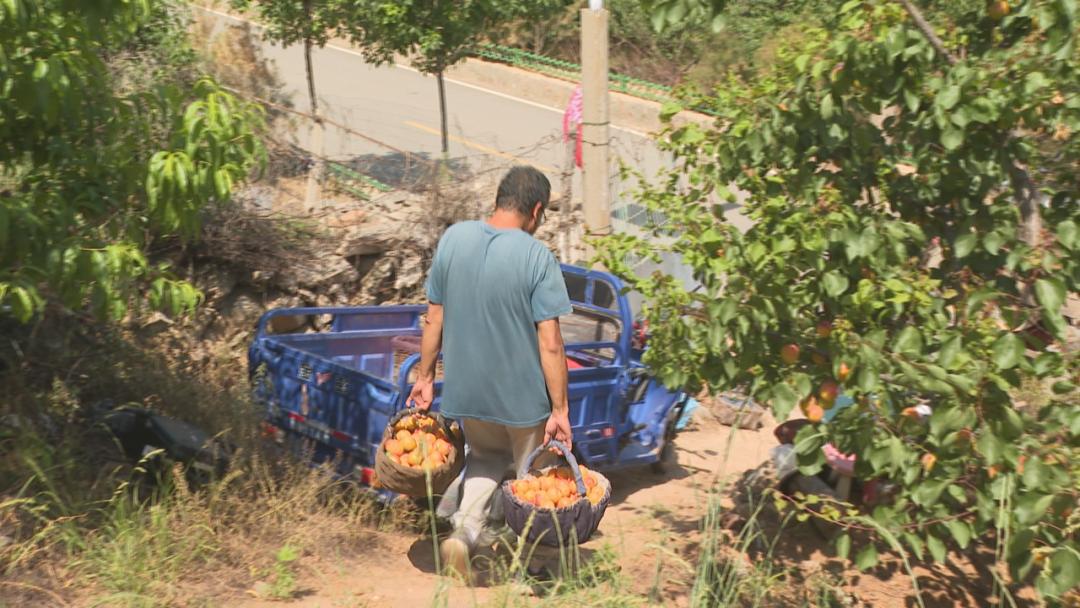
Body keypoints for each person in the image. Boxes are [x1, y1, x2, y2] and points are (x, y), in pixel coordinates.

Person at [407, 165, 573, 582]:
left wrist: (425, 378)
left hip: (466, 391)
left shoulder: (454, 239)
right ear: (536, 211)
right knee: (531, 479)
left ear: (498, 199)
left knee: (483, 459)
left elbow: (434, 318)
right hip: (522, 400)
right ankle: (528, 569)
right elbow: (550, 340)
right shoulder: (537, 257)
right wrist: (560, 409)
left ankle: (463, 534)